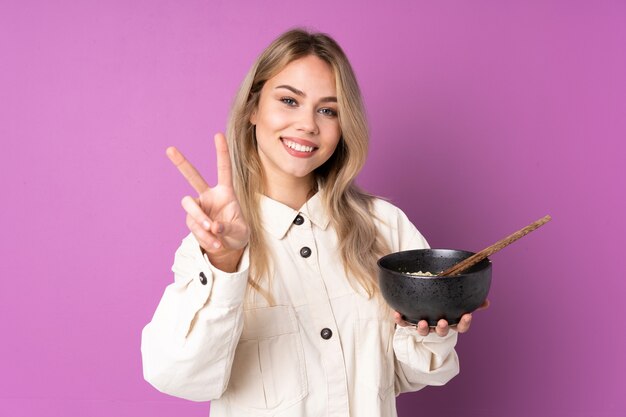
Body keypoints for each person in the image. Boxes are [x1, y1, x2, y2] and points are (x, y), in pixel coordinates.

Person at [141, 28, 480, 417]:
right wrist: (225, 264)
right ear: (253, 108)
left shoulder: (386, 226)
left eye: (328, 110)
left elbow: (408, 375)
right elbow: (178, 377)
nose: (308, 125)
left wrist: (432, 329)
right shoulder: (209, 250)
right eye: (289, 100)